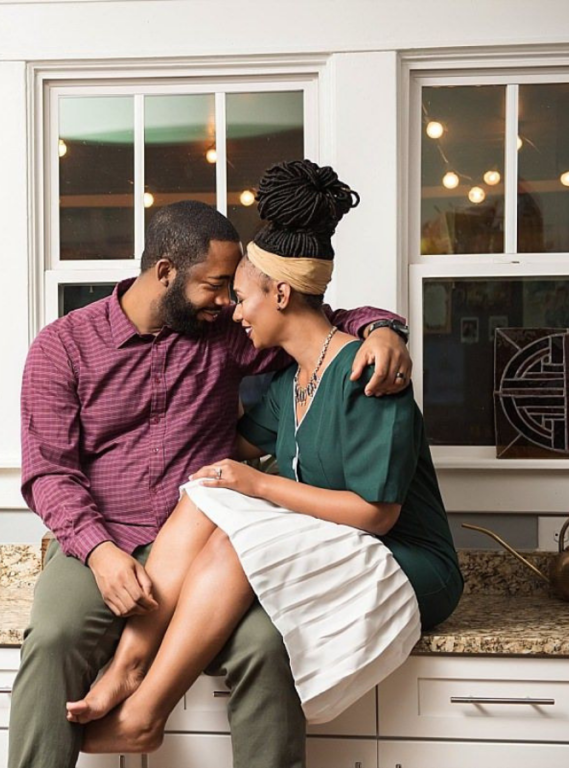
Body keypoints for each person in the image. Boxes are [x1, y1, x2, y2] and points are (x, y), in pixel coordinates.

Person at [67, 161, 463, 758]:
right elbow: (225, 461)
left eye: (244, 296)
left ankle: (145, 711)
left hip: (405, 562)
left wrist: (255, 484)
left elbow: (377, 516)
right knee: (208, 498)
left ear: (280, 293)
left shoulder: (370, 376)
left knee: (233, 534)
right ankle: (129, 665)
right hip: (338, 544)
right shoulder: (288, 385)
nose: (234, 310)